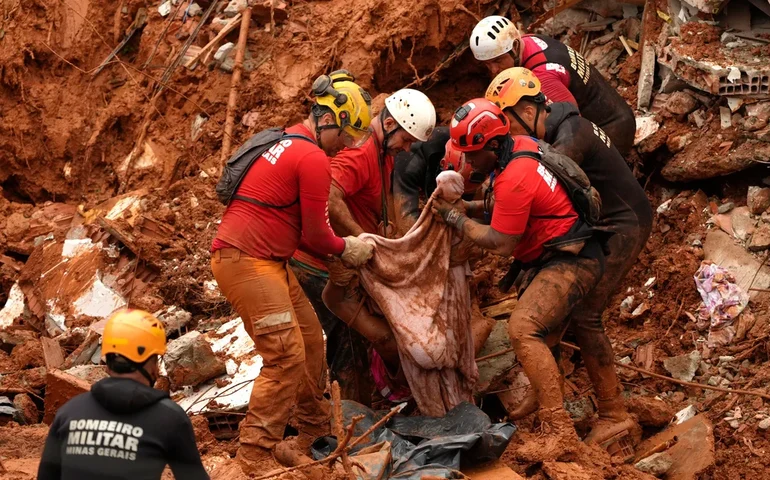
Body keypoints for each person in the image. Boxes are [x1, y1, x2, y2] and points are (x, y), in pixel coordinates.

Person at [210, 71, 375, 473]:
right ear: (330, 118)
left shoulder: (285, 142)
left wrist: (333, 252)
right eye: (347, 136)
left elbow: (292, 227)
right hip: (248, 262)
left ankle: (313, 435)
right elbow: (317, 233)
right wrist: (346, 249)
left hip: (262, 259)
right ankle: (252, 456)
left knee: (309, 342)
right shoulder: (312, 156)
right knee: (284, 356)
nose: (347, 146)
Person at [485, 67, 653, 457]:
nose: (506, 133)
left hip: (622, 222)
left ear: (527, 109)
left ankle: (614, 414)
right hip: (603, 220)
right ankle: (551, 390)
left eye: (507, 122)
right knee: (560, 309)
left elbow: (540, 190)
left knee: (585, 314)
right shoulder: (560, 125)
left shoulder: (569, 136)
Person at [433, 98, 606, 461]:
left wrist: (456, 219)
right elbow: (511, 206)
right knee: (548, 333)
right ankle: (550, 399)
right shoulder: (521, 148)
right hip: (565, 251)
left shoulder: (513, 176)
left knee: (523, 328)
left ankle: (560, 428)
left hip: (571, 259)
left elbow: (500, 241)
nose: (470, 161)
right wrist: (472, 208)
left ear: (493, 145)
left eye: (473, 153)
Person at [322, 88, 436, 398]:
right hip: (325, 258)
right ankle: (349, 415)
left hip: (353, 252)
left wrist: (391, 233)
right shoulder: (360, 153)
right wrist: (363, 237)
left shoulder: (383, 152)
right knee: (351, 343)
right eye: (407, 140)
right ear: (388, 125)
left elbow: (384, 195)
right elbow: (329, 195)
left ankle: (370, 399)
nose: (408, 148)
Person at [37, 309, 209, 480]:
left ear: (108, 360)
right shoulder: (170, 418)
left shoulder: (69, 413)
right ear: (149, 361)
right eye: (156, 360)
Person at [470, 15, 636, 156]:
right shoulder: (529, 41)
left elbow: (571, 126)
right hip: (615, 114)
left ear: (514, 47)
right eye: (487, 64)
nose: (493, 70)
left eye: (497, 61)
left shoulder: (542, 76)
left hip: (613, 130)